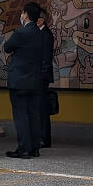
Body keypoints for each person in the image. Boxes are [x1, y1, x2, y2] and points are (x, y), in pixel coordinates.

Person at [3, 1, 44, 158]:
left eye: (22, 12)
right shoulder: (40, 34)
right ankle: (34, 147)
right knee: (34, 113)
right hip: (35, 79)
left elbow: (7, 48)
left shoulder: (21, 33)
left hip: (19, 80)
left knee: (21, 114)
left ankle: (24, 148)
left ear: (26, 14)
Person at [37, 9, 55, 149]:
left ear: (41, 20)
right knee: (39, 107)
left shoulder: (46, 35)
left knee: (42, 108)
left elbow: (46, 58)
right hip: (40, 75)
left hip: (41, 76)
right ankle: (41, 136)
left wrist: (41, 75)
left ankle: (44, 138)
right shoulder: (41, 34)